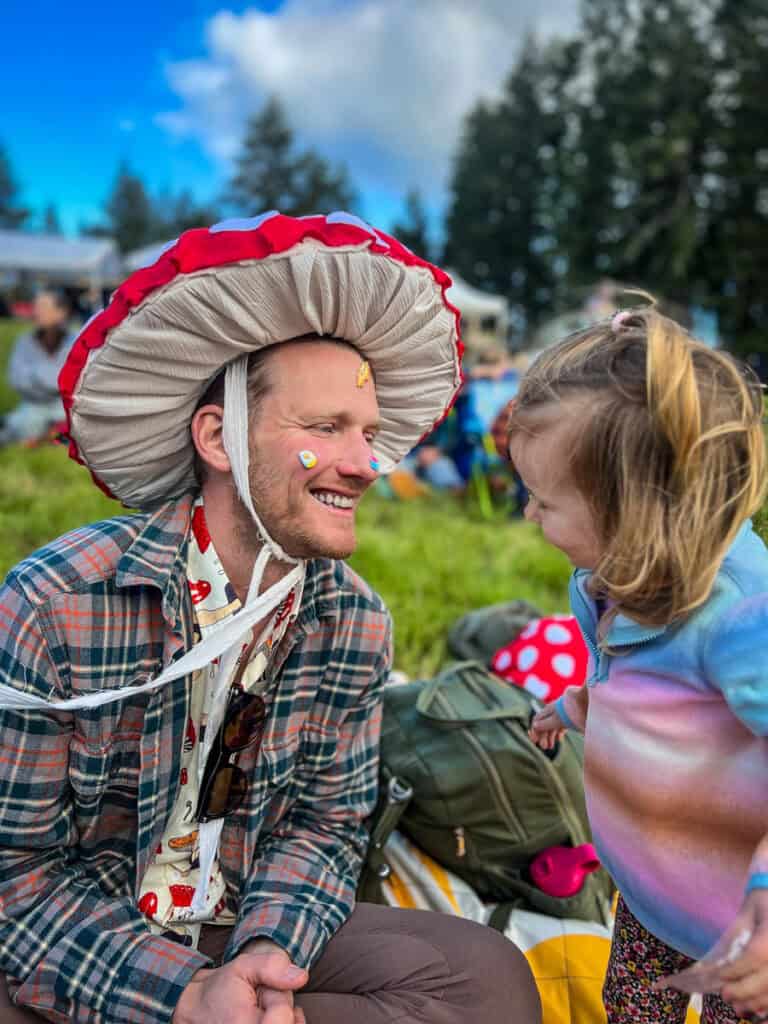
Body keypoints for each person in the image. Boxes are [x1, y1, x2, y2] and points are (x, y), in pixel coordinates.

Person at [0, 212, 541, 1024]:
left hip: (238, 922)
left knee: (486, 979)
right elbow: (16, 878)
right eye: (327, 429)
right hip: (91, 936)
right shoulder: (55, 604)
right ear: (219, 438)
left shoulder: (354, 622)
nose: (365, 463)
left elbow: (328, 825)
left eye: (368, 434)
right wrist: (178, 996)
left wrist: (262, 959)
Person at [513, 303, 768, 1023]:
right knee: (631, 1008)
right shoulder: (612, 582)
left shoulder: (742, 618)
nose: (531, 517)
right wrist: (571, 708)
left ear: (637, 513)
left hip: (740, 927)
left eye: (545, 501)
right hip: (654, 894)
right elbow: (644, 694)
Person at [0, 289, 75, 445]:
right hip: (33, 406)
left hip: (65, 407)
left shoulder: (75, 341)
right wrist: (55, 379)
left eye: (44, 307)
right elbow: (16, 379)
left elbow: (77, 380)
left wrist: (36, 374)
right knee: (21, 426)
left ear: (61, 312)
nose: (37, 312)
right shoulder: (24, 341)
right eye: (36, 307)